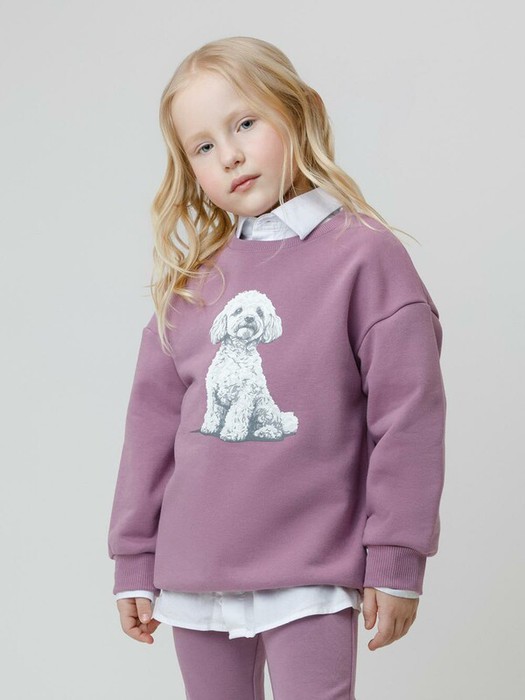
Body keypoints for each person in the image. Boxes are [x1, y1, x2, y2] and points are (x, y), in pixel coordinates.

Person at [107, 35, 447, 700]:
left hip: (311, 566)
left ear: (300, 111)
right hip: (194, 570)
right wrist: (134, 559)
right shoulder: (191, 288)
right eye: (203, 146)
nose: (229, 155)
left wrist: (396, 556)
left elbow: (408, 416)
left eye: (244, 124)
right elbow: (149, 433)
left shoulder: (363, 256)